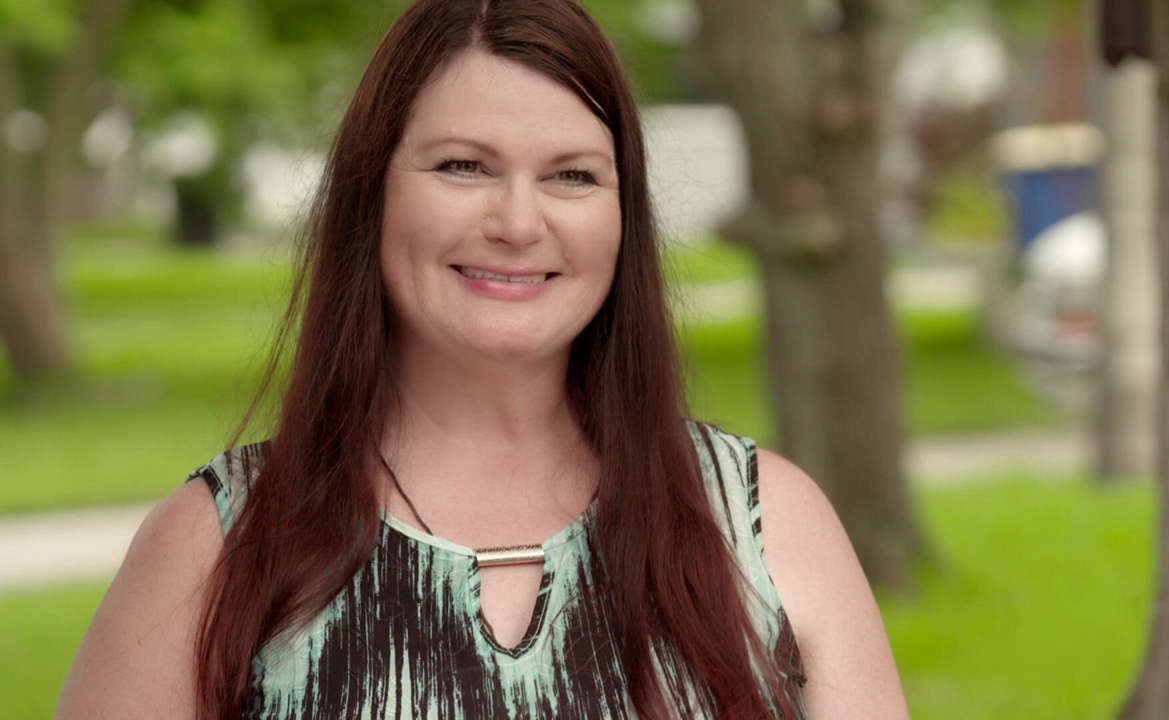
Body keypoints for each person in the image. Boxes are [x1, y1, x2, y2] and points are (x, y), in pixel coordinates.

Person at [55, 1, 909, 718]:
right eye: (464, 166)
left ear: (625, 217)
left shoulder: (765, 525)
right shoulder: (216, 549)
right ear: (370, 193)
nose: (518, 223)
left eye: (573, 176)